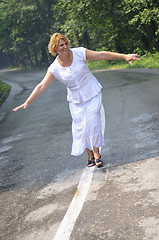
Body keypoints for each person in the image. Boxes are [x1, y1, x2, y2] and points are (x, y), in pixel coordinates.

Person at [13, 33, 140, 167]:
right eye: (61, 45)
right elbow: (42, 85)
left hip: (92, 92)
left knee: (93, 121)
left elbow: (101, 55)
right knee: (81, 127)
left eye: (66, 43)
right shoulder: (54, 68)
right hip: (75, 100)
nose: (65, 47)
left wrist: (124, 56)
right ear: (54, 48)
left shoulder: (79, 53)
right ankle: (90, 155)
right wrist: (27, 101)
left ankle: (97, 153)